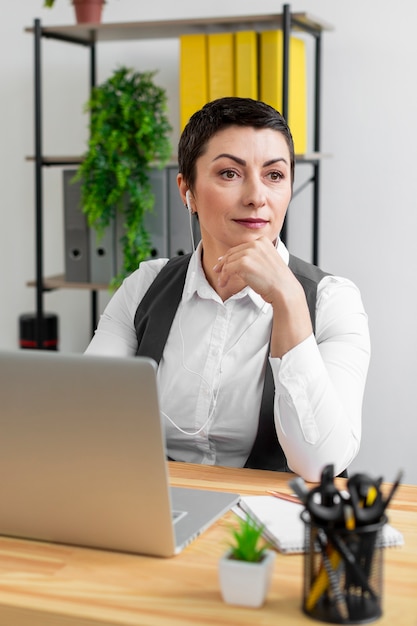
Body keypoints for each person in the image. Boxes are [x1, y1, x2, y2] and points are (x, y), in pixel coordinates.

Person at [85, 97, 370, 482]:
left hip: (268, 522)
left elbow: (323, 465)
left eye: (274, 175)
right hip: (159, 506)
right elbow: (88, 418)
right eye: (230, 174)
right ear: (188, 190)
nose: (257, 196)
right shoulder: (145, 287)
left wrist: (288, 301)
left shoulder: (334, 301)